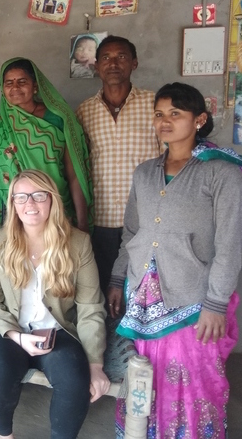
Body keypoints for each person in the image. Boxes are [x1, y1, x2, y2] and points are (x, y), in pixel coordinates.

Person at [107, 83, 242, 439]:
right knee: (145, 372)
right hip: (145, 296)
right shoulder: (144, 173)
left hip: (195, 299)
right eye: (159, 114)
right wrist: (116, 279)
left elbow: (231, 243)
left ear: (199, 119)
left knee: (194, 377)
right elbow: (132, 233)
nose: (165, 121)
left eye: (176, 114)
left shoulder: (221, 172)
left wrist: (216, 304)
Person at [0, 169, 109, 439]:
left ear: (52, 200)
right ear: (12, 203)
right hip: (8, 331)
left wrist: (95, 364)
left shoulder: (78, 243)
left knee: (74, 380)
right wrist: (16, 336)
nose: (30, 204)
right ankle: (5, 436)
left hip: (57, 331)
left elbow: (90, 307)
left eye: (39, 195)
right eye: (21, 197)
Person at [0, 57, 93, 253]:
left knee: (59, 269)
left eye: (22, 81)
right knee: (17, 273)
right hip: (12, 216)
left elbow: (74, 176)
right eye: (9, 83)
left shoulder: (57, 119)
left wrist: (82, 225)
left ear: (36, 86)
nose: (15, 87)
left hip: (56, 210)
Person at [75, 35, 162, 293]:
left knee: (145, 292)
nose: (113, 63)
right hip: (100, 220)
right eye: (106, 58)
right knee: (101, 291)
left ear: (134, 63)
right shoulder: (84, 112)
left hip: (145, 219)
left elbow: (170, 159)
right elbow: (80, 167)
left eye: (121, 57)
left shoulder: (155, 104)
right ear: (97, 66)